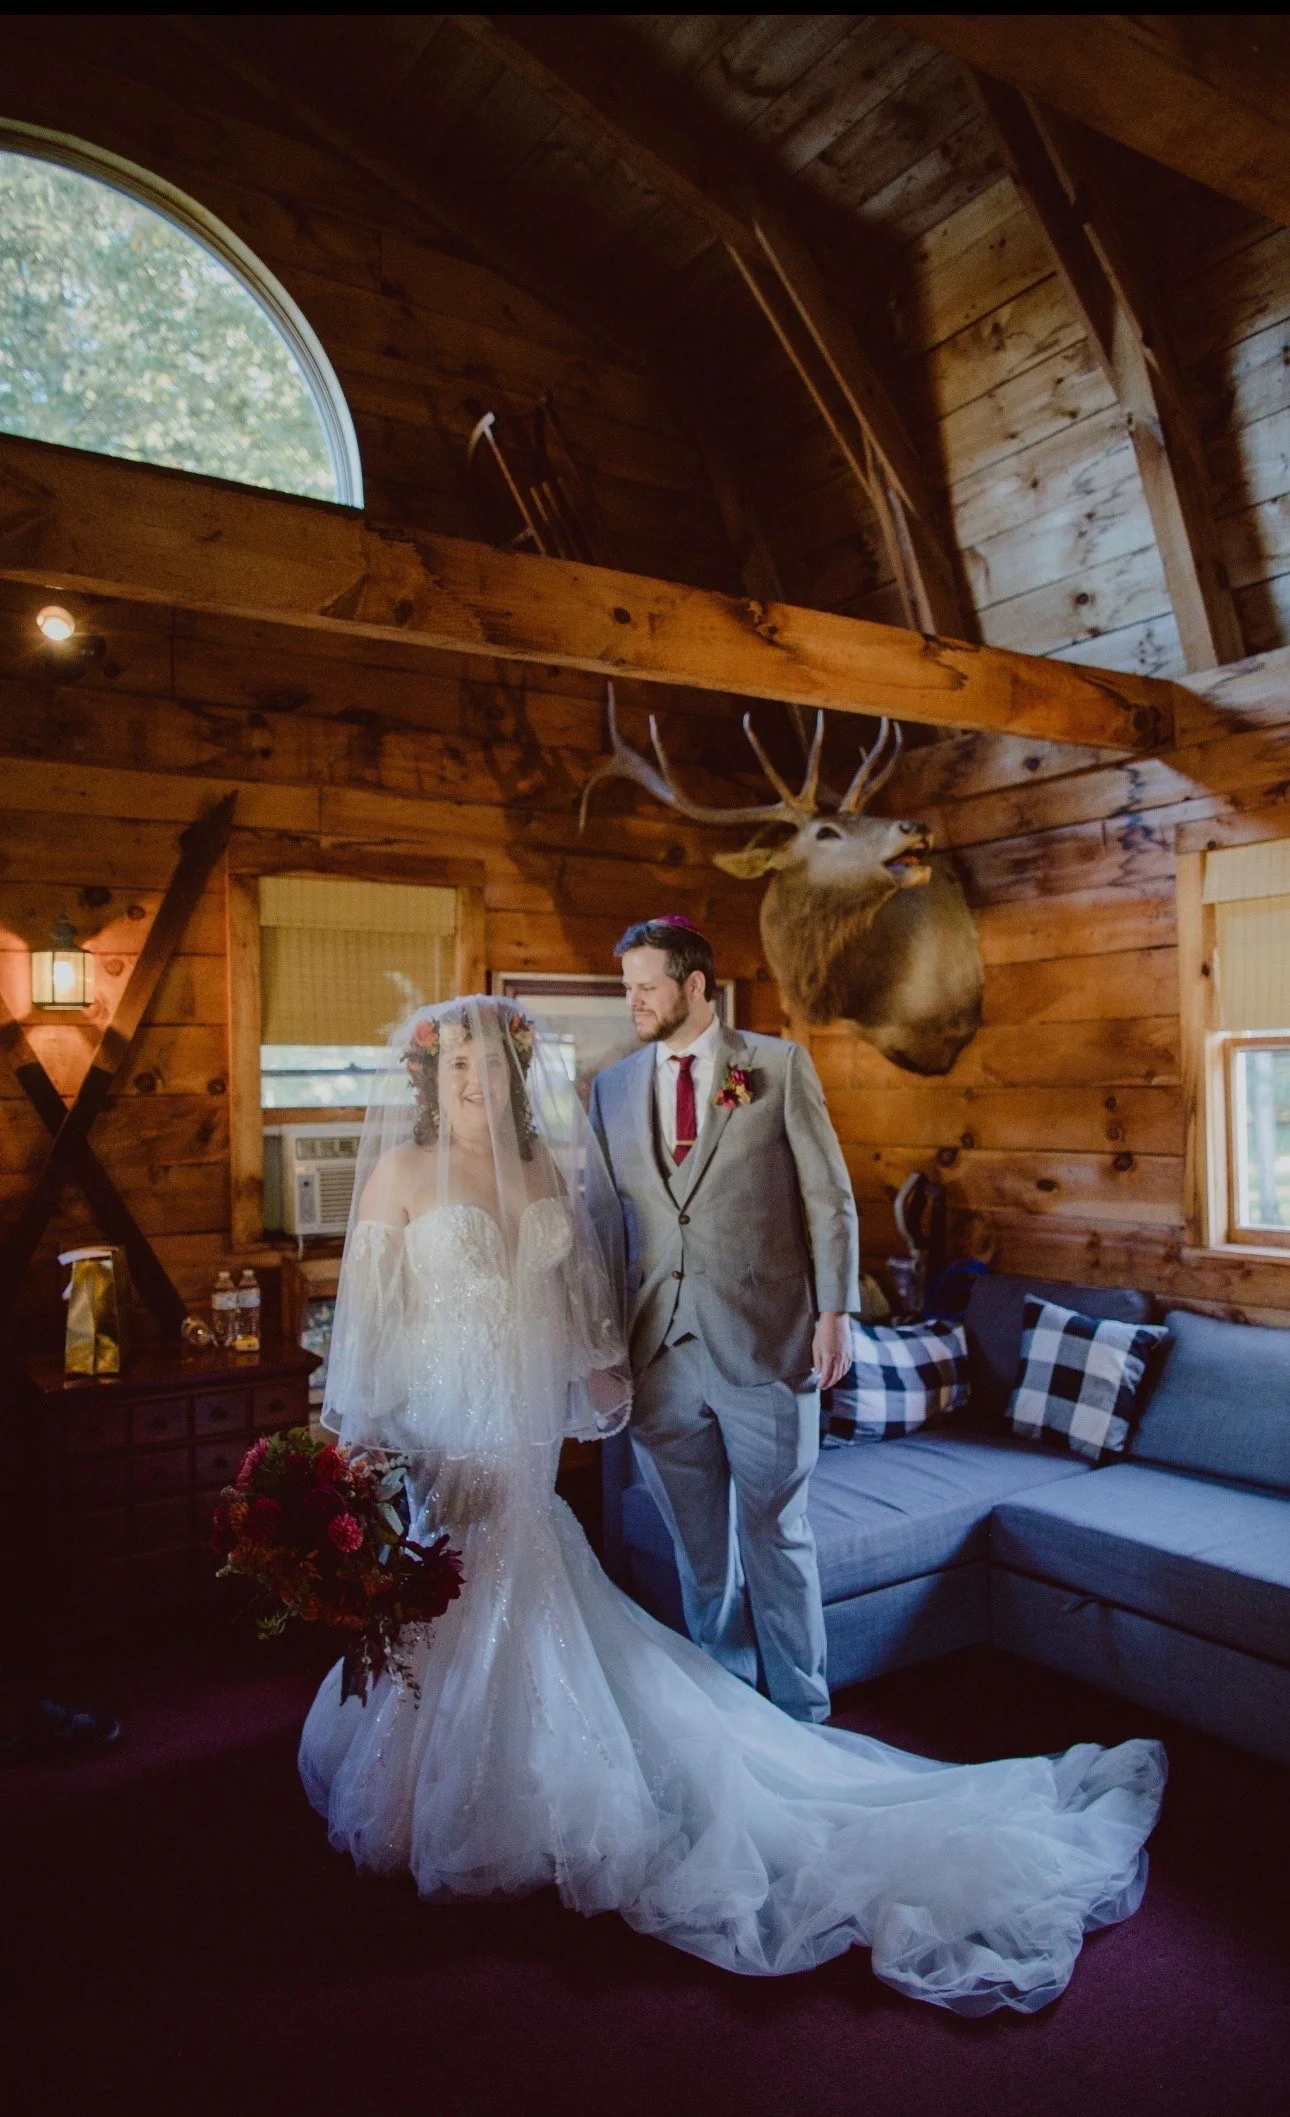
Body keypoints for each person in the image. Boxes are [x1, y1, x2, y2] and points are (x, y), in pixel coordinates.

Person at [299, 995, 1165, 2016]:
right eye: (457, 1072)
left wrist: (608, 1375)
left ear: (515, 1075)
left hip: (524, 1427)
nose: (476, 1086)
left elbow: (580, 1299)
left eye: (491, 1067)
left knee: (522, 1575)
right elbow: (372, 1321)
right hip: (442, 1419)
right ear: (429, 1083)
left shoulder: (544, 1172)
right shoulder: (401, 1176)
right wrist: (357, 1436)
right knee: (450, 1584)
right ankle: (427, 1790)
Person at [589, 915, 855, 1723]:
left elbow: (827, 1197)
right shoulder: (610, 1087)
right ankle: (735, 1721)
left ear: (695, 985)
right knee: (701, 1557)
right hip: (658, 1357)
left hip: (766, 1344)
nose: (632, 1000)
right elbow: (604, 1224)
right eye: (627, 985)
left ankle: (805, 1715)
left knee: (779, 1536)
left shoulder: (777, 1066)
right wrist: (602, 1348)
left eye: (646, 985)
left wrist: (835, 1309)